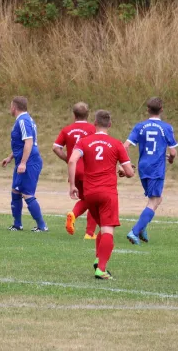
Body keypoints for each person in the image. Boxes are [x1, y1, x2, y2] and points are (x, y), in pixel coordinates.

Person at [68, 110, 134, 279]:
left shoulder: (84, 142)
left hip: (90, 194)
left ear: (94, 123)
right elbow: (129, 172)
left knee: (101, 228)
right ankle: (101, 269)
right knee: (107, 231)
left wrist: (73, 185)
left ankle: (99, 260)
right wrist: (123, 170)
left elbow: (72, 160)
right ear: (110, 125)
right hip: (107, 193)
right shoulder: (116, 144)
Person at [123, 97, 178, 245]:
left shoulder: (140, 126)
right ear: (161, 110)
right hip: (156, 169)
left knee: (156, 199)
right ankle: (134, 231)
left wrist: (125, 164)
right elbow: (172, 152)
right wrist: (171, 159)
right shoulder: (166, 128)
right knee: (154, 200)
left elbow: (125, 146)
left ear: (147, 110)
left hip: (143, 167)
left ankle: (142, 228)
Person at [1, 96, 47, 232]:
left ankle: (42, 226)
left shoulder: (23, 121)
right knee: (15, 191)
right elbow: (20, 144)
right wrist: (10, 157)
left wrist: (23, 163)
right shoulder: (25, 120)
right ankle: (17, 224)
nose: (10, 108)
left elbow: (29, 142)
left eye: (10, 106)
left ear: (14, 107)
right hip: (23, 161)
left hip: (30, 162)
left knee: (27, 194)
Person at [52, 102, 97, 239]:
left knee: (85, 199)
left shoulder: (67, 130)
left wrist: (67, 159)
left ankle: (73, 215)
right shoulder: (92, 129)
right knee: (94, 201)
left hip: (74, 170)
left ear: (74, 115)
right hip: (89, 171)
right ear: (88, 114)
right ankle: (89, 233)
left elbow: (55, 147)